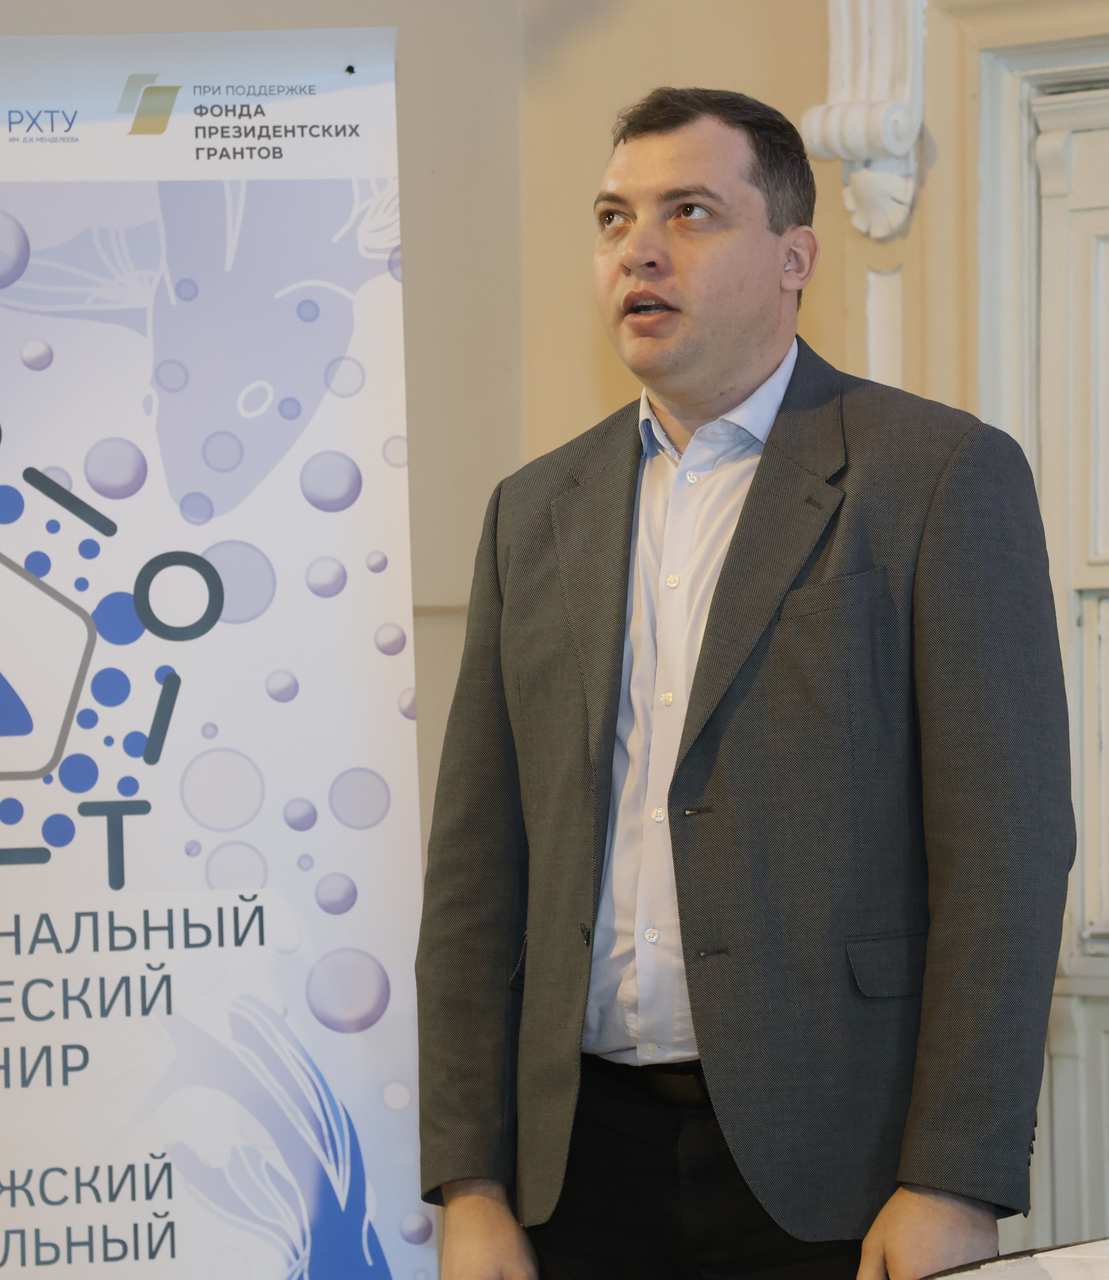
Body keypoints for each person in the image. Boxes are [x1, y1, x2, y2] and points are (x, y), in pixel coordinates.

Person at [414, 86, 1073, 1280]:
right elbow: (475, 871)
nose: (640, 249)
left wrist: (953, 1177)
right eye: (614, 218)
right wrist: (471, 1182)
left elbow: (1006, 856)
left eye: (692, 213)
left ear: (794, 258)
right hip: (578, 1167)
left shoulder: (937, 474)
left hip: (841, 1169)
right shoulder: (533, 510)